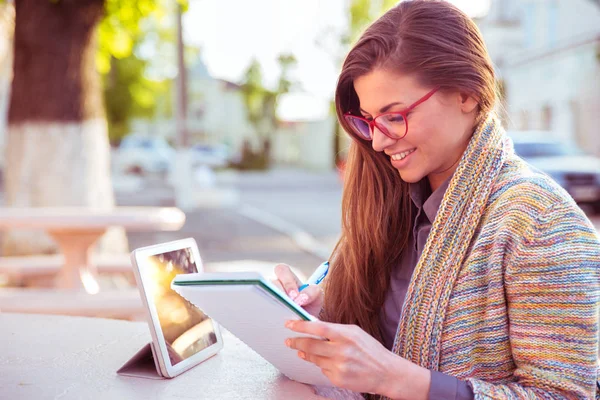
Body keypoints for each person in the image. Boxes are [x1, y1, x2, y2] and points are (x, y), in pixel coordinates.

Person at [272, 1, 600, 399]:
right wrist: (319, 315)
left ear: (465, 93)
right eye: (368, 121)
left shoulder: (539, 221)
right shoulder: (390, 204)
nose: (377, 141)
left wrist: (397, 379)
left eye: (395, 116)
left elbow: (564, 394)